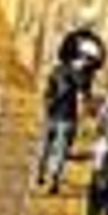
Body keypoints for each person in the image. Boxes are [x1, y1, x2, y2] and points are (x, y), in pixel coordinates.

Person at [34, 58, 85, 192]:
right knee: (60, 151)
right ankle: (53, 180)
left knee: (45, 147)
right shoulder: (75, 76)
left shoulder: (55, 72)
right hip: (66, 118)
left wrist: (46, 108)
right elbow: (83, 89)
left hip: (51, 117)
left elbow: (47, 93)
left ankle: (40, 174)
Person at [56, 13, 107, 96]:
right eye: (84, 22)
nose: (85, 25)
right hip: (66, 75)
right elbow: (61, 54)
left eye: (88, 23)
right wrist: (72, 63)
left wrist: (87, 64)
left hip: (84, 78)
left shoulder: (96, 42)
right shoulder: (71, 37)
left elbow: (100, 61)